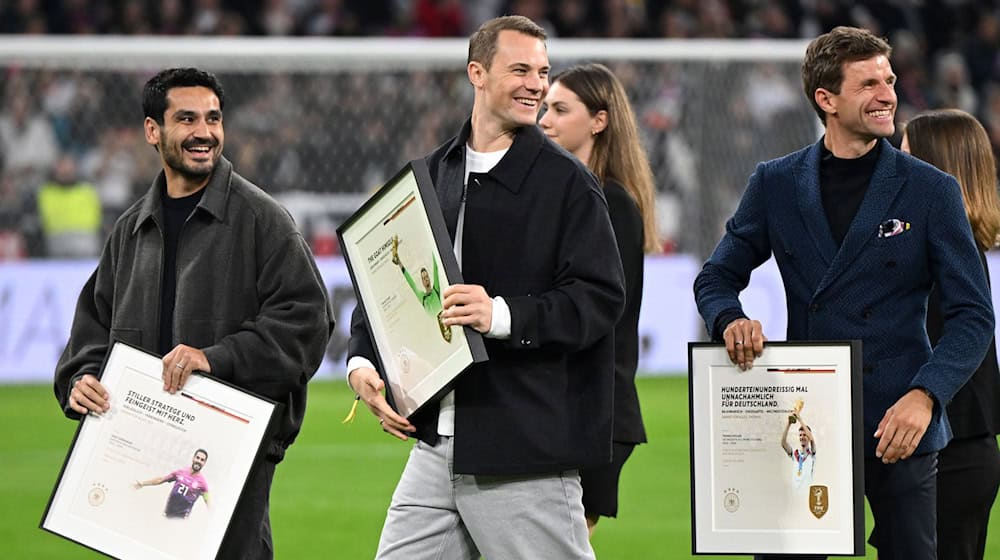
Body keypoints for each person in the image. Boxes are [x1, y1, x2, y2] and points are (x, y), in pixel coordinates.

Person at [693, 26, 995, 560]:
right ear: (826, 99)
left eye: (889, 80)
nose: (887, 95)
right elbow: (715, 277)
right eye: (868, 84)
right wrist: (728, 320)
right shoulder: (776, 182)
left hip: (900, 425)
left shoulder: (931, 189)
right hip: (807, 420)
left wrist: (927, 395)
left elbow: (974, 315)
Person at [347, 16, 625, 559]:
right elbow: (382, 287)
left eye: (542, 72)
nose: (536, 84)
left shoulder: (567, 183)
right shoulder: (428, 174)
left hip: (523, 450)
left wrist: (501, 315)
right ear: (477, 72)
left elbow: (599, 299)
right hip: (434, 448)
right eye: (519, 69)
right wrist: (363, 365)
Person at [53, 67, 334, 560]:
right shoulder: (130, 230)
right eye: (187, 119)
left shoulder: (263, 220)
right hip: (138, 448)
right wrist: (81, 379)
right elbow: (90, 334)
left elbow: (308, 325)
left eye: (213, 118)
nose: (204, 132)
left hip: (230, 454)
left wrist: (215, 358)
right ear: (152, 131)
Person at [538, 62, 658, 535]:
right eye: (545, 107)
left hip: (594, 411)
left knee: (555, 546)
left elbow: (600, 314)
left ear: (599, 121)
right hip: (568, 406)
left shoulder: (612, 203)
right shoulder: (572, 196)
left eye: (560, 109)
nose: (544, 119)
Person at [902, 108, 1000, 560]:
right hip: (961, 448)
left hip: (952, 451)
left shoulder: (947, 251)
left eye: (905, 157)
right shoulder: (957, 246)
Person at [134, 449, 211, 519]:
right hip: (167, 513)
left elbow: (208, 502)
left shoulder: (203, 483)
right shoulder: (181, 472)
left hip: (181, 519)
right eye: (197, 458)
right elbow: (161, 480)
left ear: (204, 463)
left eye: (202, 460)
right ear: (193, 458)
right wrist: (143, 483)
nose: (199, 461)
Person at [781, 409, 816, 492]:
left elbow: (812, 440)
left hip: (806, 494)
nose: (802, 437)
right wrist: (789, 423)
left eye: (804, 435)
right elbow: (783, 443)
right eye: (800, 435)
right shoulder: (795, 453)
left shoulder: (812, 453)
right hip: (795, 494)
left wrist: (800, 419)